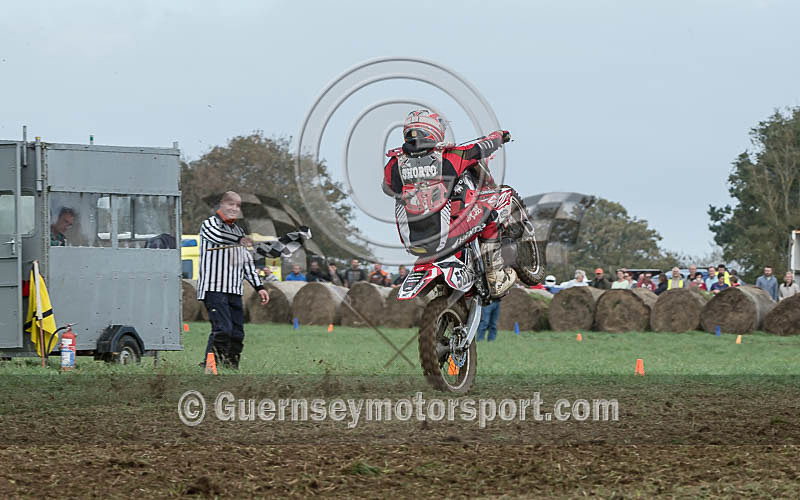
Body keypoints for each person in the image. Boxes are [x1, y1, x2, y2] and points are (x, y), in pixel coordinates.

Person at [383, 109, 513, 298]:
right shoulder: (450, 156)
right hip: (447, 235)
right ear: (434, 129)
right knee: (489, 213)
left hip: (414, 241)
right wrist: (499, 136)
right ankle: (495, 276)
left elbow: (387, 188)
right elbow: (483, 147)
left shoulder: (394, 163)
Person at [197, 191, 268, 369]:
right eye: (230, 204)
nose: (234, 208)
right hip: (214, 288)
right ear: (220, 205)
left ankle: (231, 369)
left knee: (237, 334)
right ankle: (210, 367)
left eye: (237, 205)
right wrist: (244, 240)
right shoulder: (209, 224)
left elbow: (246, 262)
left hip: (234, 290)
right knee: (222, 330)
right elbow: (219, 238)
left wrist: (259, 286)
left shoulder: (239, 230)